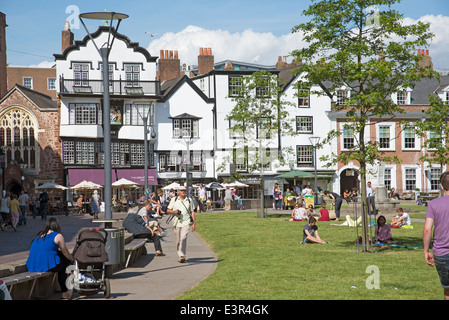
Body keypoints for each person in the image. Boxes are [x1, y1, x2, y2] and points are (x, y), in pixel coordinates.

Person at [26, 218, 73, 300]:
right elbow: (65, 252)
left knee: (59, 255)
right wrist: (71, 260)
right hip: (45, 264)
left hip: (32, 264)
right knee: (64, 265)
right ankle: (64, 292)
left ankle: (63, 290)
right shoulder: (58, 236)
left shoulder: (39, 235)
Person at [424, 171, 449, 300]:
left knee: (447, 289)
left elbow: (427, 229)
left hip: (441, 253)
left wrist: (426, 250)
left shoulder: (433, 204)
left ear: (441, 186)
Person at [167, 186, 195, 263]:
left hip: (186, 222)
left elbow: (192, 211)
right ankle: (180, 255)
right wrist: (174, 212)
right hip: (176, 222)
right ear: (178, 192)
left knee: (183, 238)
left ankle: (182, 255)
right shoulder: (174, 200)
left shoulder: (189, 200)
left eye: (184, 190)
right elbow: (168, 210)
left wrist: (194, 223)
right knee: (178, 240)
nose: (183, 192)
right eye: (181, 190)